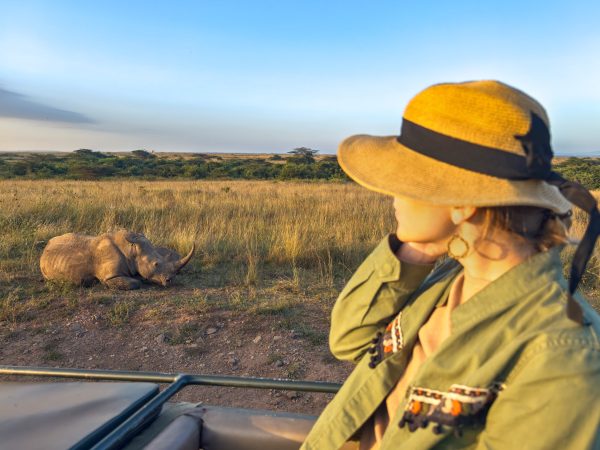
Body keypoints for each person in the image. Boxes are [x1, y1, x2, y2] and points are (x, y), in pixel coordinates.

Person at [301, 80, 600, 449]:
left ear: (462, 202)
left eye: (406, 183)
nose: (393, 198)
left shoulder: (563, 356)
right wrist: (419, 249)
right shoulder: (449, 281)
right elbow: (349, 340)